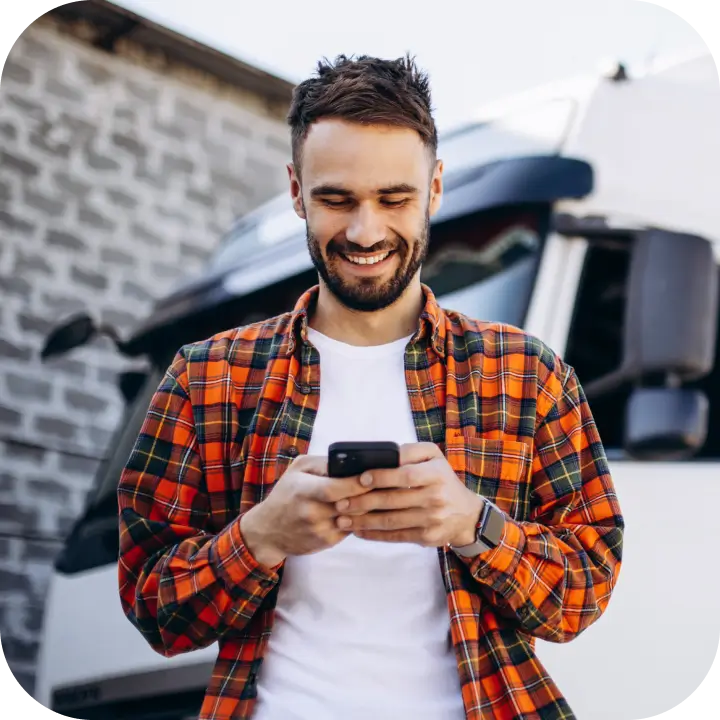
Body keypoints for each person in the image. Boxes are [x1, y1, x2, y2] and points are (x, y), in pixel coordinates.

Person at [118, 54, 624, 720]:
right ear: (297, 190)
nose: (365, 231)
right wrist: (262, 536)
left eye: (394, 199)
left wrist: (472, 525)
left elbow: (585, 589)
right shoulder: (206, 376)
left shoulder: (529, 375)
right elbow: (155, 608)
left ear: (435, 189)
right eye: (336, 199)